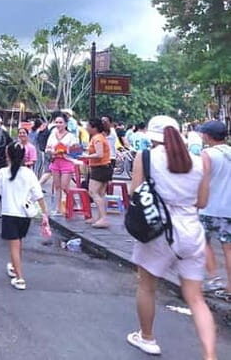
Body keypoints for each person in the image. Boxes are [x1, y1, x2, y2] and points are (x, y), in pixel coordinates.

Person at [127, 115, 215, 359]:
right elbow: (202, 202)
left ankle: (147, 338)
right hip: (191, 233)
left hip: (158, 232)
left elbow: (134, 192)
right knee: (196, 299)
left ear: (152, 137)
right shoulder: (200, 162)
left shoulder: (145, 157)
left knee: (147, 286)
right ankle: (209, 354)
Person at [0, 142, 49, 290]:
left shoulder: (3, 173)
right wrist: (45, 214)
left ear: (7, 155)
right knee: (18, 242)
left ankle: (20, 278)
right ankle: (13, 266)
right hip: (25, 214)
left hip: (9, 213)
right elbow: (38, 195)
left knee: (13, 245)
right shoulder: (29, 173)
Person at [196, 120, 231, 301]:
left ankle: (214, 278)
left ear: (208, 136)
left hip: (210, 206)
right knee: (228, 247)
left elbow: (203, 177)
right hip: (229, 208)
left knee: (204, 242)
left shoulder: (207, 154)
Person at [78, 118, 112, 228]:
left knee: (93, 192)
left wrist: (85, 156)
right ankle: (100, 217)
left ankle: (103, 218)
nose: (86, 128)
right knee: (101, 194)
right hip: (104, 167)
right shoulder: (99, 137)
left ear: (94, 128)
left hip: (100, 168)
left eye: (88, 126)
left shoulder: (97, 138)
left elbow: (99, 154)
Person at [45, 114, 79, 215]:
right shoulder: (52, 135)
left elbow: (76, 150)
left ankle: (73, 202)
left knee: (65, 186)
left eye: (61, 122)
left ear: (65, 124)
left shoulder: (71, 136)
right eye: (57, 122)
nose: (58, 124)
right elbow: (47, 148)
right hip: (55, 161)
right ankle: (58, 208)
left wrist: (65, 150)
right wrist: (52, 151)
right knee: (57, 186)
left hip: (66, 161)